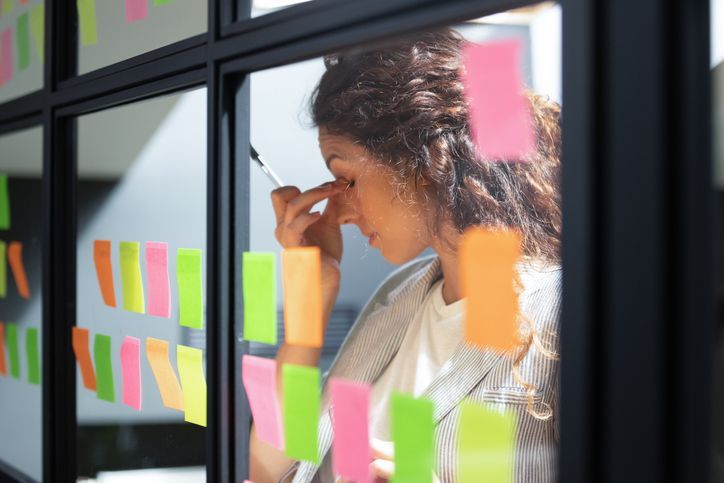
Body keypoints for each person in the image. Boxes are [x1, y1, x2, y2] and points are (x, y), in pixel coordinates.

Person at [249, 27, 562, 483]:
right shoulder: (398, 295)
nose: (338, 212)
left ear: (427, 160)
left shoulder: (560, 316)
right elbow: (270, 469)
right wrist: (307, 307)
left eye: (347, 181)